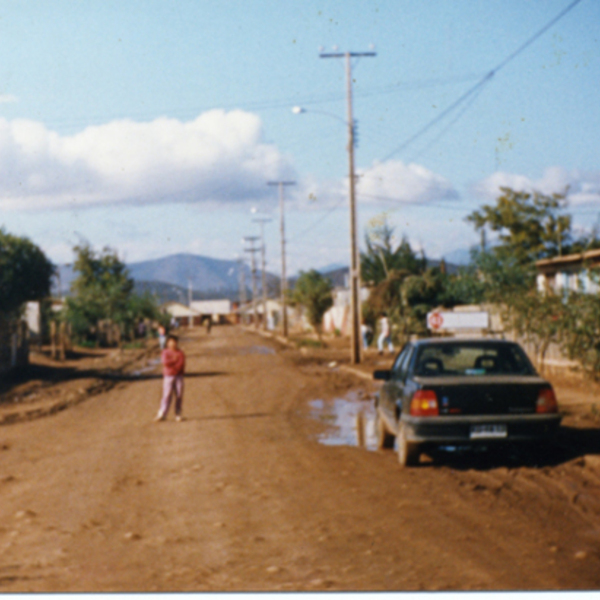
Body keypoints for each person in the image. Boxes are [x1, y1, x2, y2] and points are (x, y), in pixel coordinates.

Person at [155, 334, 186, 422]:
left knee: (179, 394)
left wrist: (173, 364)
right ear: (167, 343)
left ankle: (178, 413)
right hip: (168, 376)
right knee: (166, 395)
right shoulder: (165, 352)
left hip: (179, 376)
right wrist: (174, 360)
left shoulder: (180, 353)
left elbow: (181, 364)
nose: (172, 344)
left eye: (174, 342)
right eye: (170, 342)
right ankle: (162, 413)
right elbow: (165, 362)